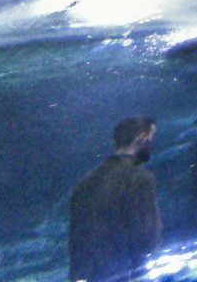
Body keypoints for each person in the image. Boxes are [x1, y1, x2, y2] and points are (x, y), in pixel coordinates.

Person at [69, 116, 162, 282]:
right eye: (152, 138)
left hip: (93, 275)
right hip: (127, 273)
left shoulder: (86, 183)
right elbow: (148, 236)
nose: (153, 144)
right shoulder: (140, 178)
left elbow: (76, 242)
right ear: (142, 138)